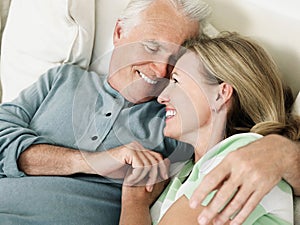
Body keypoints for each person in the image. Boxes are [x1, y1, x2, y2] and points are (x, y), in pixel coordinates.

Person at [0, 0, 299, 225]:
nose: (160, 72)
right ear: (119, 32)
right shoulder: (61, 79)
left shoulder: (178, 124)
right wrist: (93, 161)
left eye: (176, 61)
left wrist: (281, 151)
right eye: (152, 47)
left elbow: (246, 143)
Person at [119, 32, 300, 225]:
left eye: (177, 81)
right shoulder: (185, 171)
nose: (161, 96)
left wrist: (134, 202)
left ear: (221, 94)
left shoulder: (247, 155)